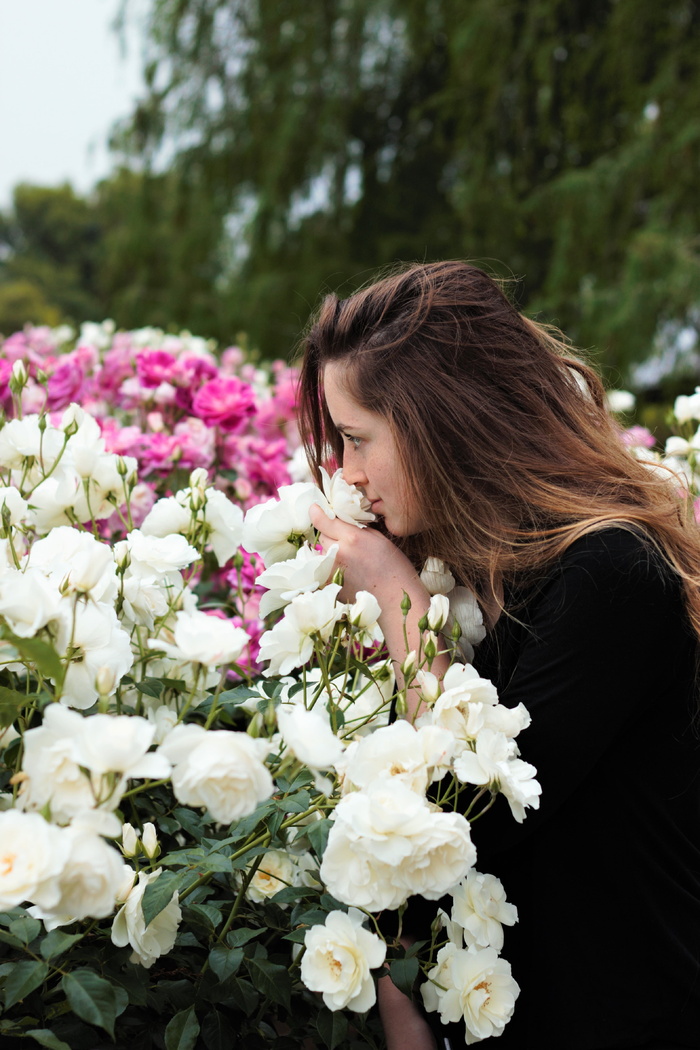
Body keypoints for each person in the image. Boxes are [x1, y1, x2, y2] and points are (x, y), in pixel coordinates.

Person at [297, 260, 700, 1050]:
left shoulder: (610, 573)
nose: (346, 475)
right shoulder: (483, 571)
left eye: (357, 440)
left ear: (439, 422)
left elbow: (466, 812)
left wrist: (394, 595)